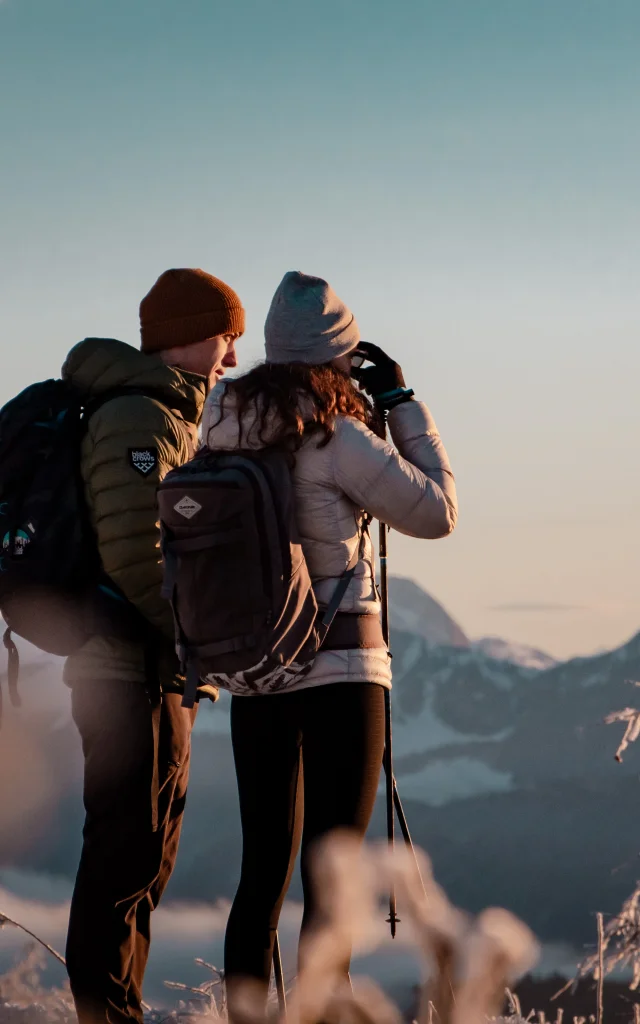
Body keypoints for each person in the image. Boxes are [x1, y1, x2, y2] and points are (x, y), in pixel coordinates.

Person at [202, 270, 458, 1019]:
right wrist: (404, 406)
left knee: (261, 873)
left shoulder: (220, 423)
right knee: (334, 876)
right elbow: (437, 511)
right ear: (336, 357)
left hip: (256, 672)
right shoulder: (336, 433)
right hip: (342, 672)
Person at [62, 268, 244, 1024]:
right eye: (227, 339)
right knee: (123, 859)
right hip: (129, 668)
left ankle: (117, 1009)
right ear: (193, 334)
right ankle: (106, 1014)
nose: (232, 359)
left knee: (142, 858)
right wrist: (199, 643)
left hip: (152, 669)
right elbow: (142, 556)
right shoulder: (143, 418)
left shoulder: (165, 411)